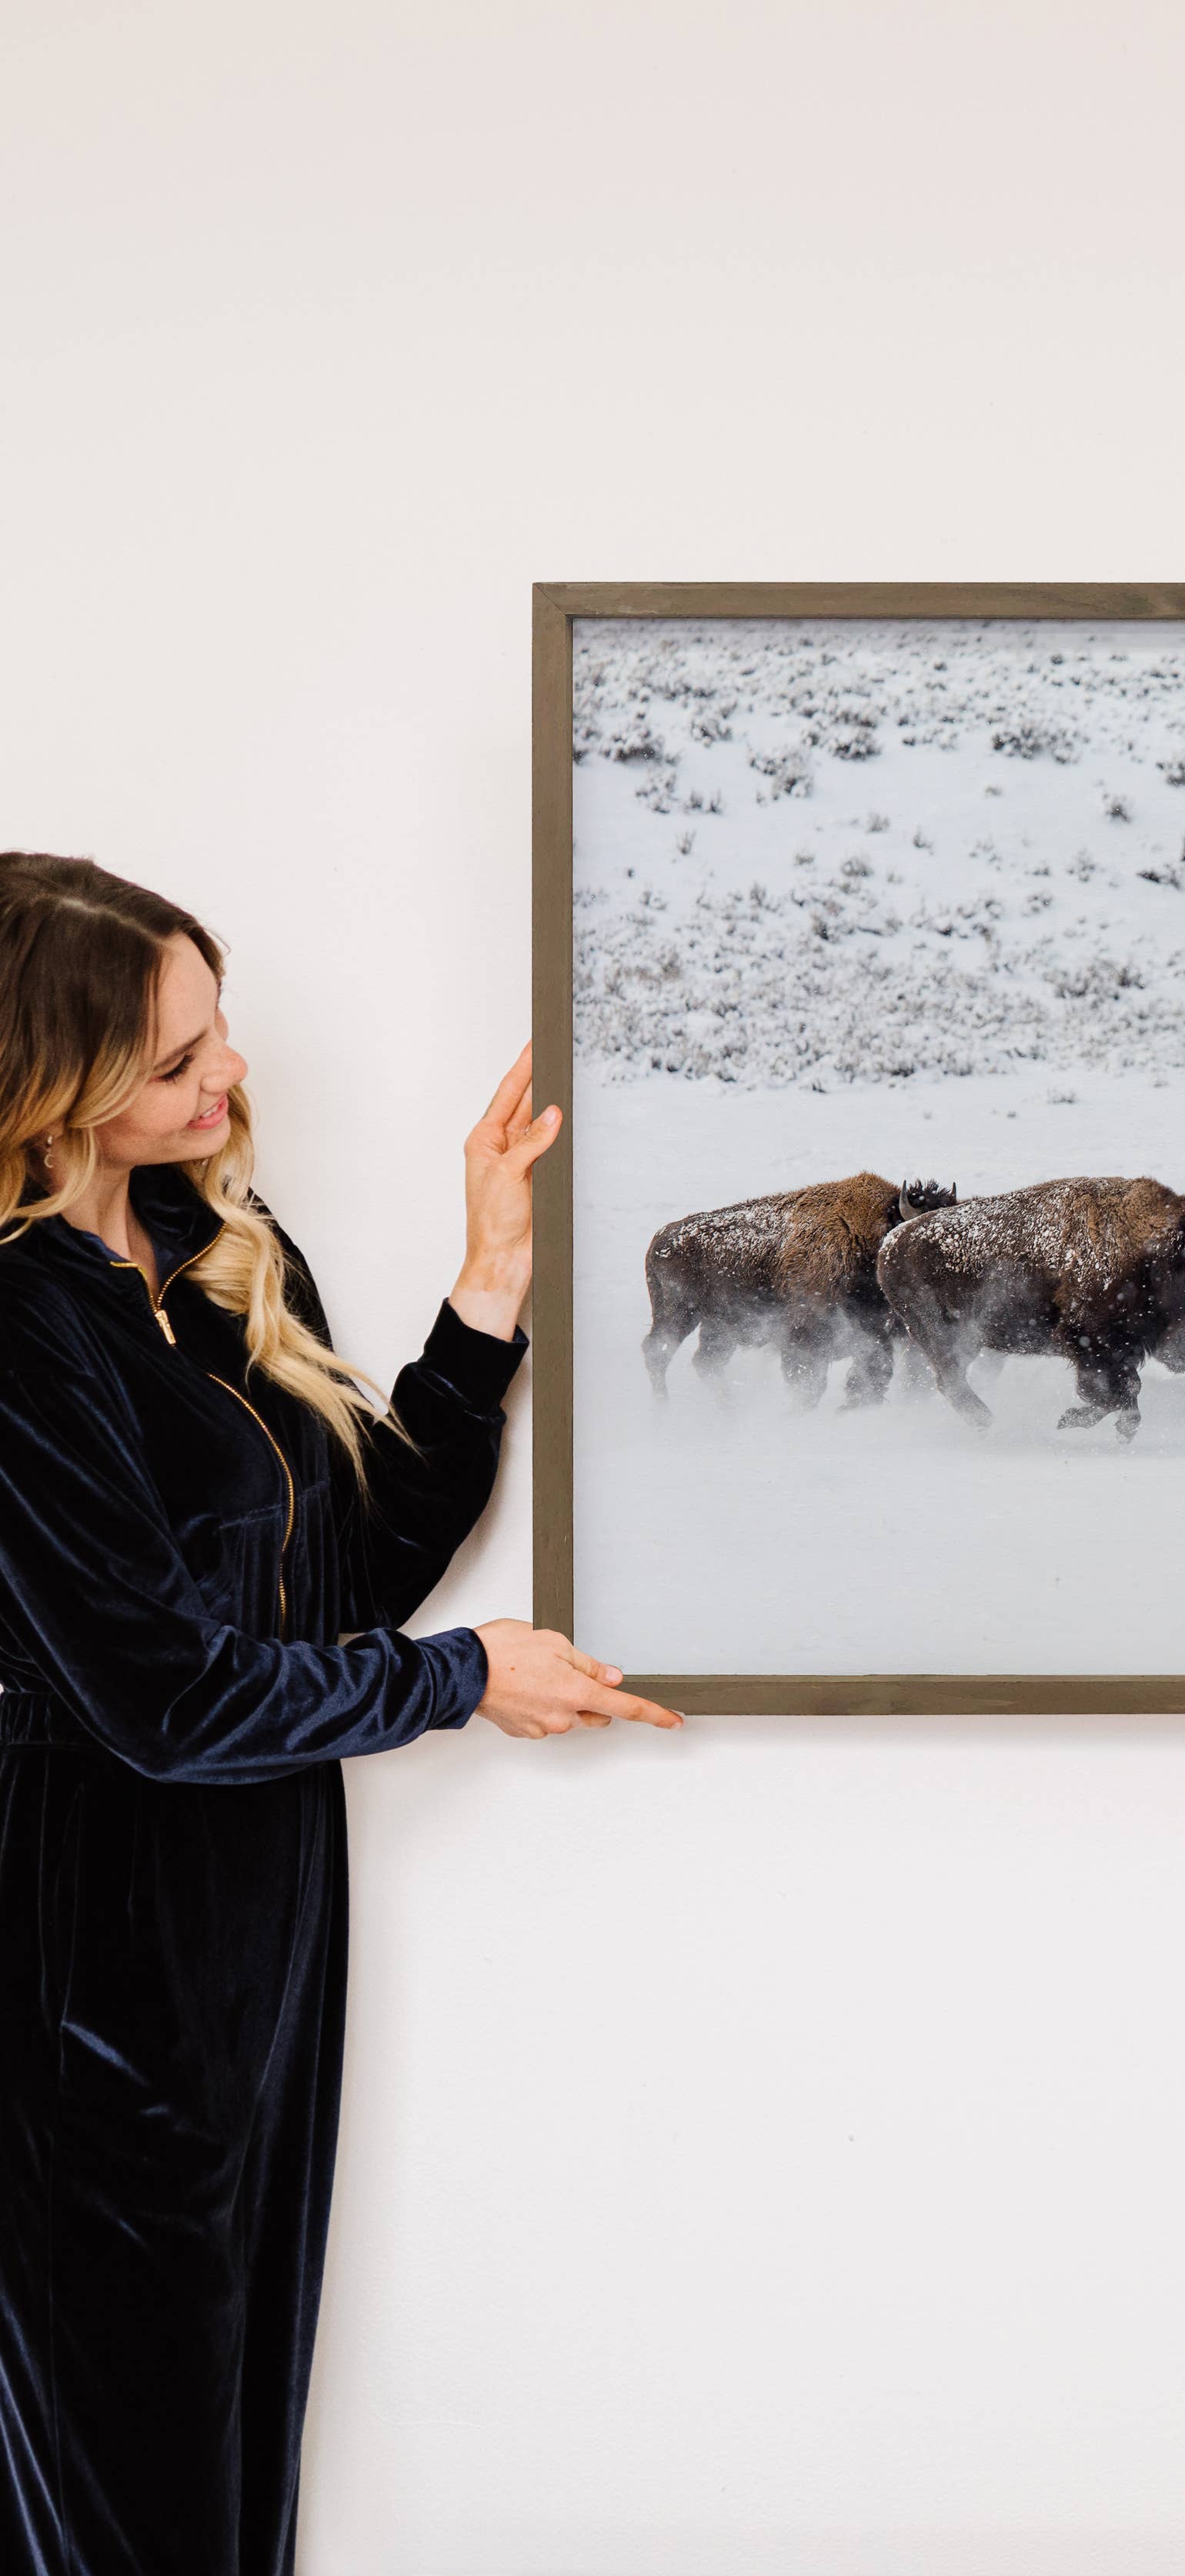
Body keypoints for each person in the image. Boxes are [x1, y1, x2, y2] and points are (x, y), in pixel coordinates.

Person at [0, 853, 681, 2576]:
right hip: (76, 1958)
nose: (228, 1079)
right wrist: (464, 1682)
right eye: (176, 1061)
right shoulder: (15, 1330)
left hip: (254, 1933)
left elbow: (348, 1571)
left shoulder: (211, 1243)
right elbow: (160, 1698)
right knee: (121, 2487)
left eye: (219, 1031)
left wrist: (491, 1282)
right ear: (46, 1084)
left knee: (225, 2453)